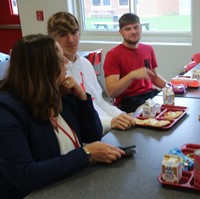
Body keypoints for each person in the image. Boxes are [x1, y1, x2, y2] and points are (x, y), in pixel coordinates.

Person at [0, 34, 126, 198]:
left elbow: (93, 135)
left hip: (69, 185)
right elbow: (25, 175)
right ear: (45, 68)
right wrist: (86, 154)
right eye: (60, 59)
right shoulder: (7, 111)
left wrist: (82, 98)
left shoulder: (59, 94)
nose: (66, 62)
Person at [47, 12, 135, 134]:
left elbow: (99, 101)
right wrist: (111, 122)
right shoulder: (56, 73)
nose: (71, 40)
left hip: (105, 125)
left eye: (73, 33)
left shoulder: (85, 63)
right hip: (91, 133)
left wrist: (121, 115)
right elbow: (76, 119)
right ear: (53, 39)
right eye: (63, 35)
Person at [103, 13, 167, 113]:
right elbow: (112, 92)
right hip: (128, 101)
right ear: (121, 32)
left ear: (140, 28)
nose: (133, 31)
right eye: (128, 29)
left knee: (170, 105)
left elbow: (154, 77)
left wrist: (171, 88)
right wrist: (132, 76)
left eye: (135, 27)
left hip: (150, 95)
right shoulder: (113, 55)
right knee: (150, 111)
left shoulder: (148, 49)